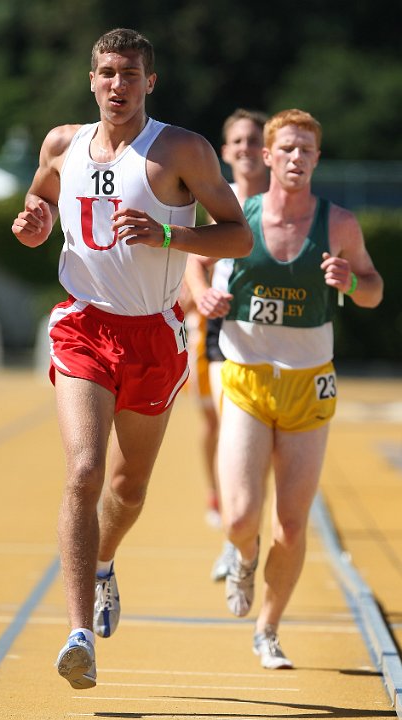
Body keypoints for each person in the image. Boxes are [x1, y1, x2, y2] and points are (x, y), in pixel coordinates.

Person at [11, 27, 253, 691]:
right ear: (92, 80)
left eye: (131, 74)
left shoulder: (181, 149)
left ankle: (105, 561)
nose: (118, 85)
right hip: (83, 325)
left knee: (128, 487)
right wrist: (31, 221)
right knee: (85, 468)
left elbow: (237, 235)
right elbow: (38, 198)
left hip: (154, 336)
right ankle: (79, 633)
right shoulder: (63, 144)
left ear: (151, 82)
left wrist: (170, 232)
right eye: (107, 73)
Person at [186, 108, 383, 669]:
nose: (297, 159)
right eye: (287, 150)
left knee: (292, 527)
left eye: (307, 151)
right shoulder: (239, 219)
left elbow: (373, 287)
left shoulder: (338, 223)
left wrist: (352, 282)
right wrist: (202, 296)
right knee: (242, 515)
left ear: (317, 159)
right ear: (267, 158)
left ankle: (268, 629)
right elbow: (195, 263)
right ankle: (241, 553)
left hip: (308, 386)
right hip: (247, 378)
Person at [203, 109, 270, 578]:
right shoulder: (215, 199)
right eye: (237, 142)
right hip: (220, 331)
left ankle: (241, 522)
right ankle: (235, 525)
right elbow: (191, 253)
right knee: (226, 424)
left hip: (271, 335)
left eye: (253, 140)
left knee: (257, 438)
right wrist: (200, 290)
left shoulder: (283, 203)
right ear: (224, 152)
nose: (245, 149)